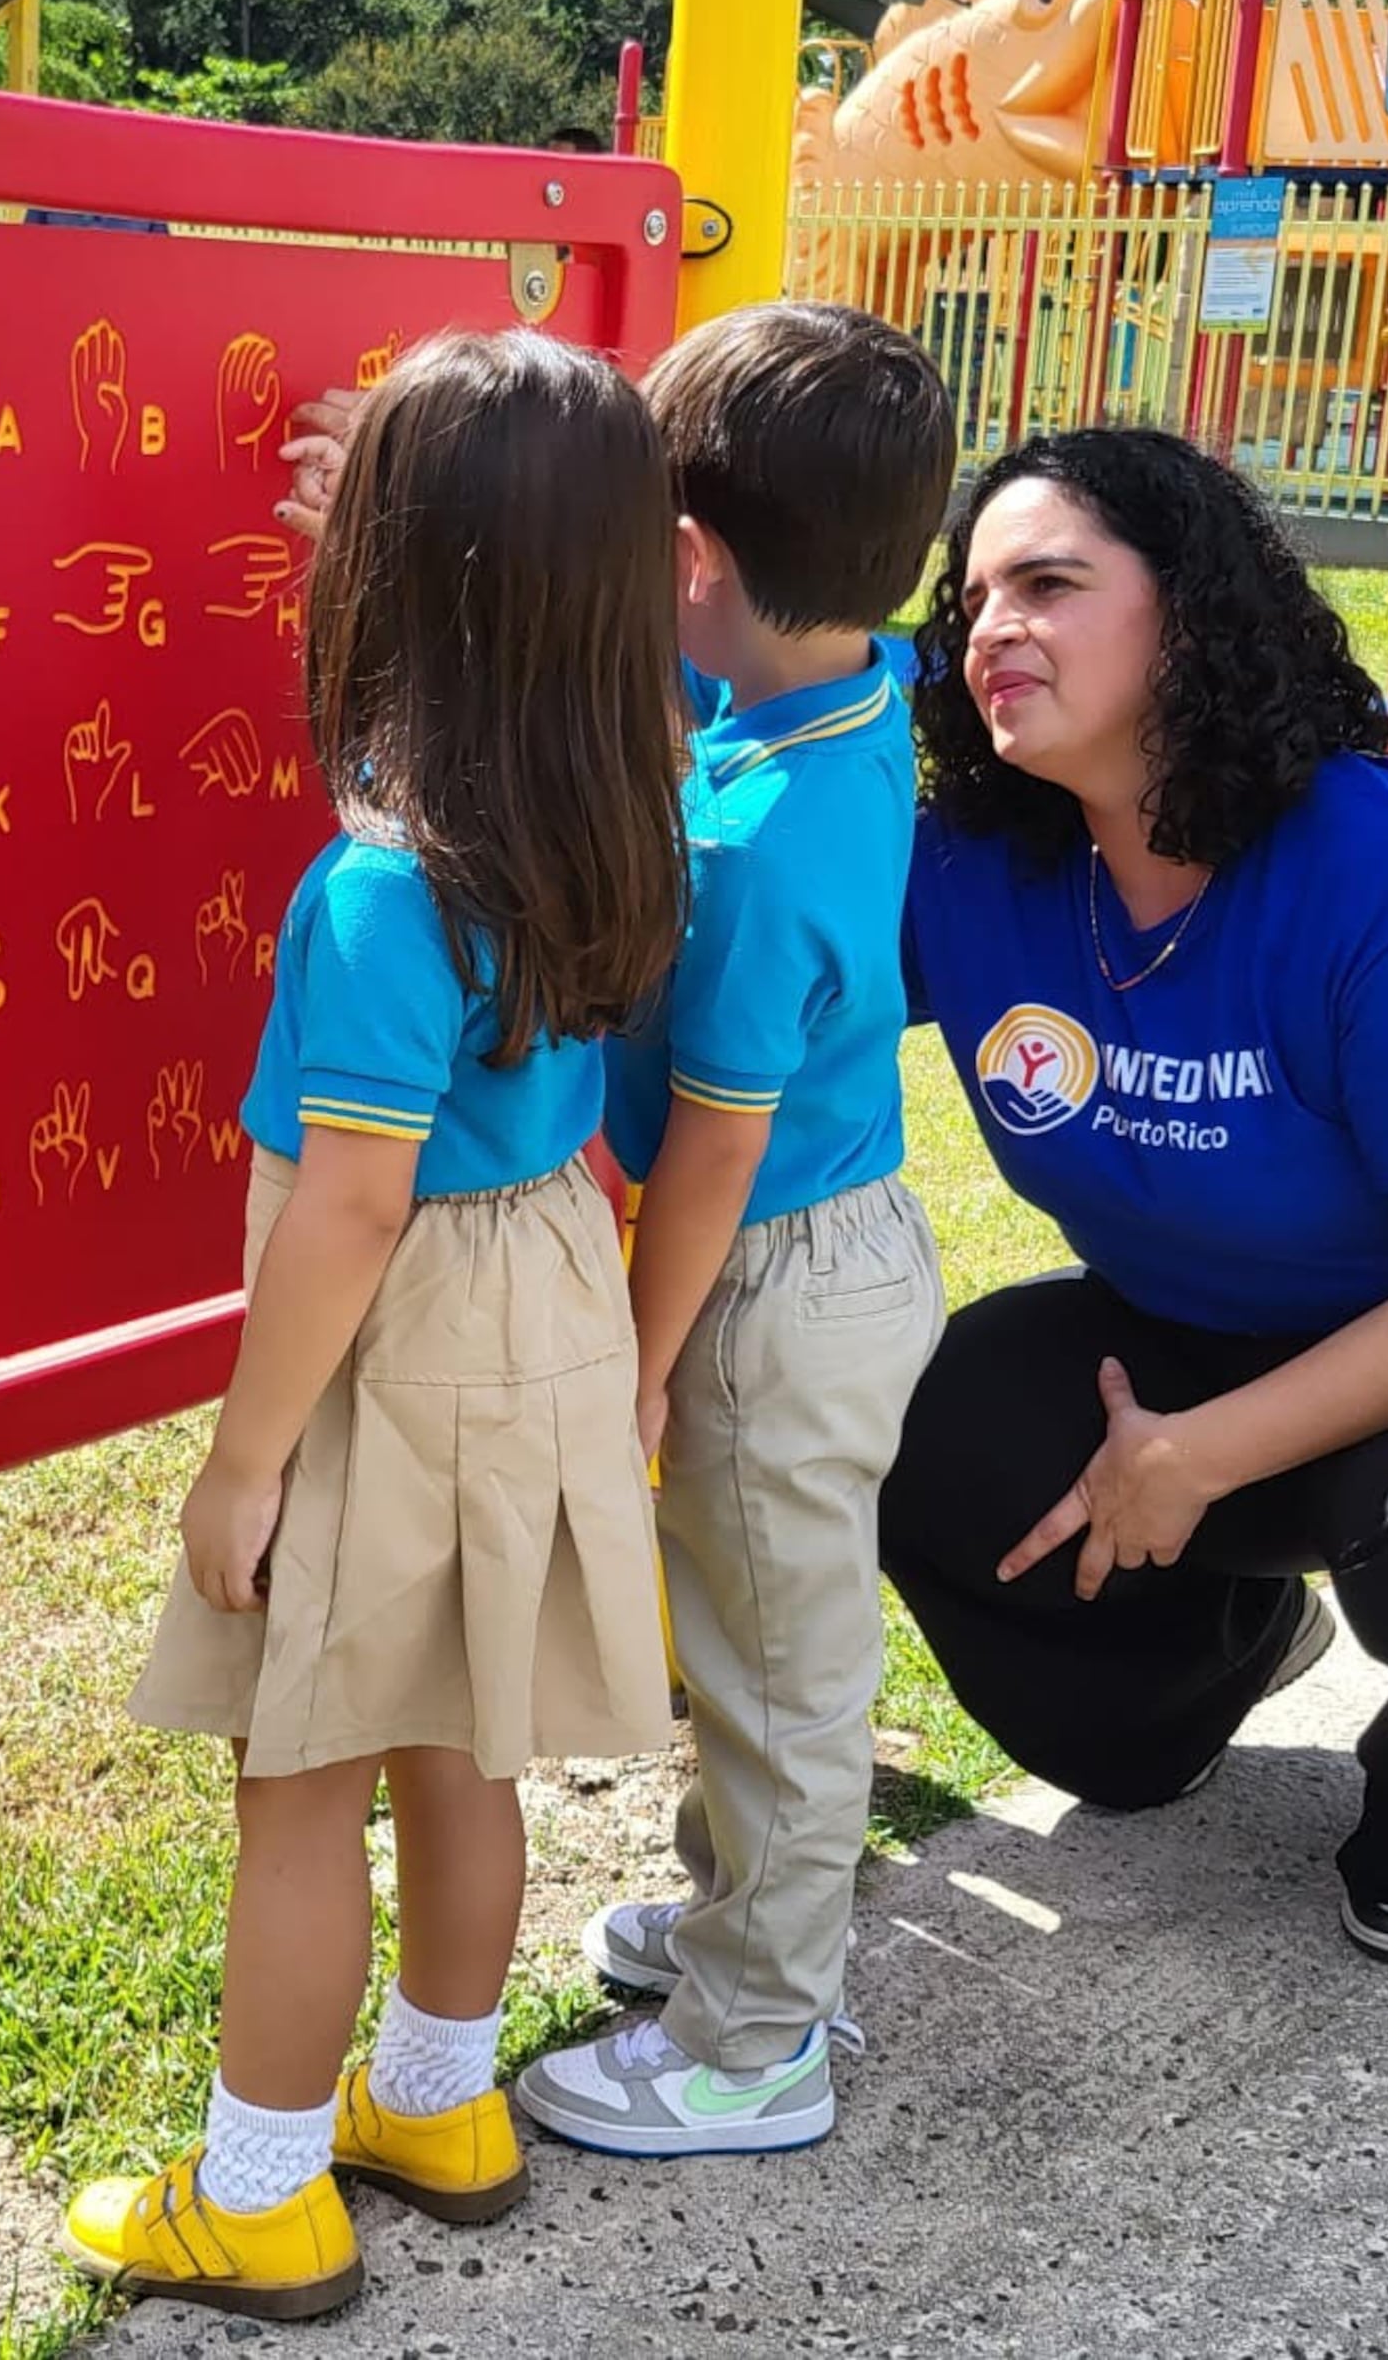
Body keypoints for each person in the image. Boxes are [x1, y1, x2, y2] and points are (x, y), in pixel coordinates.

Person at [885, 427, 1388, 1968]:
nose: (992, 625)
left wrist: (1196, 1454)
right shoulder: (980, 862)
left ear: (1191, 612)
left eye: (1051, 581)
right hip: (1199, 1327)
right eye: (973, 595)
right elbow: (759, 715)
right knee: (919, 1426)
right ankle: (1211, 1667)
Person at [62, 333, 691, 2322]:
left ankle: (254, 2189)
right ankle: (434, 2100)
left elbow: (345, 1199)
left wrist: (243, 1455)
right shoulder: (630, 780)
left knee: (301, 1770)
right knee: (459, 1732)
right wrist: (417, 530)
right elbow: (495, 659)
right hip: (547, 1288)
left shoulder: (375, 892)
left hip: (392, 1318)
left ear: (406, 588)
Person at [512, 302, 959, 2159]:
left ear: (689, 560)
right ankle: (739, 1918)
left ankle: (760, 2037)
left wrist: (637, 1358)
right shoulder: (838, 697)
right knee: (755, 1628)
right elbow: (648, 687)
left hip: (765, 1279)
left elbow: (707, 1146)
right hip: (835, 1256)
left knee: (781, 1671)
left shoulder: (759, 839)